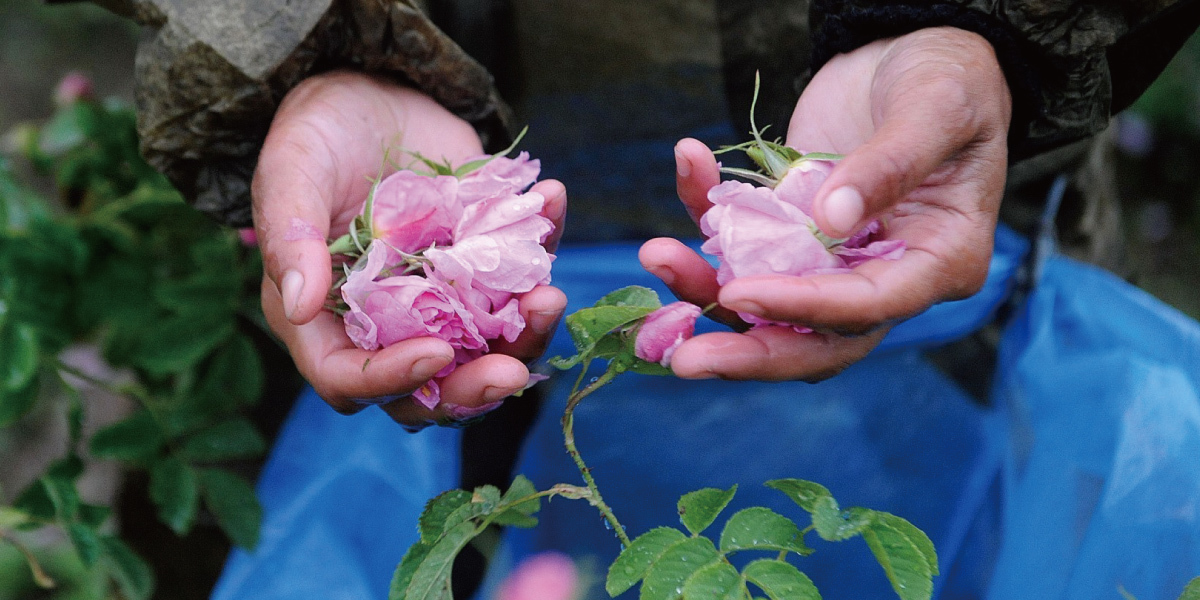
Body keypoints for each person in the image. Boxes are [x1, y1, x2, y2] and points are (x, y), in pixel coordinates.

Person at [74, 0, 1199, 428]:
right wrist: (312, 50)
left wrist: (982, 25)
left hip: (935, 157)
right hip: (444, 61)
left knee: (949, 437)